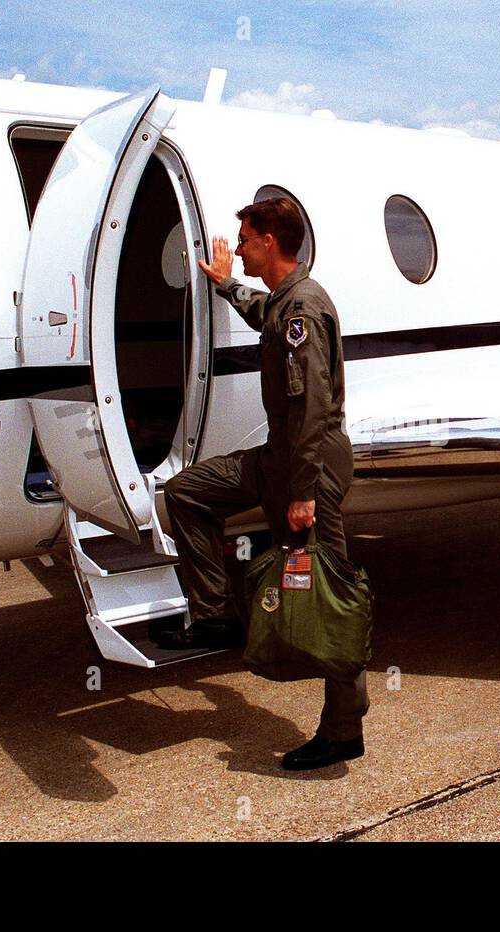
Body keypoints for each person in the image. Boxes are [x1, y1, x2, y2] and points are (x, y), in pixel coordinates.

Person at [159, 196, 367, 771]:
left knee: (330, 598)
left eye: (245, 240)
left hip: (310, 467)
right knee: (187, 494)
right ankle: (217, 615)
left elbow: (310, 407)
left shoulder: (302, 307)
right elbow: (265, 315)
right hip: (284, 458)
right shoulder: (284, 303)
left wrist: (301, 494)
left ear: (270, 241)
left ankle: (343, 730)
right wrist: (226, 286)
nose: (240, 248)